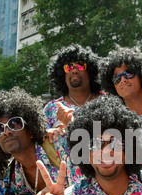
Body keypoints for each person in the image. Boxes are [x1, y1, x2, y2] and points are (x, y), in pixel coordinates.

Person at [100, 46, 142, 175]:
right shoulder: (114, 118)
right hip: (139, 190)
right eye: (117, 78)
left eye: (128, 74)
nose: (123, 80)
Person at [44, 44, 103, 185]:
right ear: (62, 75)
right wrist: (46, 134)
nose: (74, 70)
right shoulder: (51, 109)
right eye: (69, 67)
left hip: (108, 181)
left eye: (80, 65)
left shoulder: (108, 101)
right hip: (70, 187)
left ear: (91, 71)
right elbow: (43, 148)